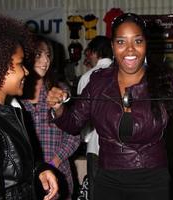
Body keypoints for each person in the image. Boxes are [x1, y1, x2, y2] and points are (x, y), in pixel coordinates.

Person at [47, 13, 173, 200]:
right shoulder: (98, 82)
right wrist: (58, 107)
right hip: (107, 178)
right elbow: (72, 124)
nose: (130, 50)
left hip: (152, 180)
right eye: (121, 42)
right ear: (112, 46)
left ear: (146, 44)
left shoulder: (165, 82)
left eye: (137, 41)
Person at [0, 13, 58, 199]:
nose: (26, 71)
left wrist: (40, 170)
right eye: (21, 64)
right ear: (0, 66)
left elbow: (13, 168)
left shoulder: (8, 112)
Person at [20, 35, 81, 200]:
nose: (45, 60)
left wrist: (54, 161)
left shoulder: (59, 90)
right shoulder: (16, 93)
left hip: (58, 173)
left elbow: (74, 136)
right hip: (26, 177)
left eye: (48, 55)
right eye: (39, 54)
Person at [76, 35, 113, 199]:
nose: (87, 57)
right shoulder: (123, 73)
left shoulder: (87, 77)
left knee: (97, 193)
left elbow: (81, 116)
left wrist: (87, 138)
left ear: (95, 53)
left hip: (95, 146)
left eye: (89, 53)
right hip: (124, 149)